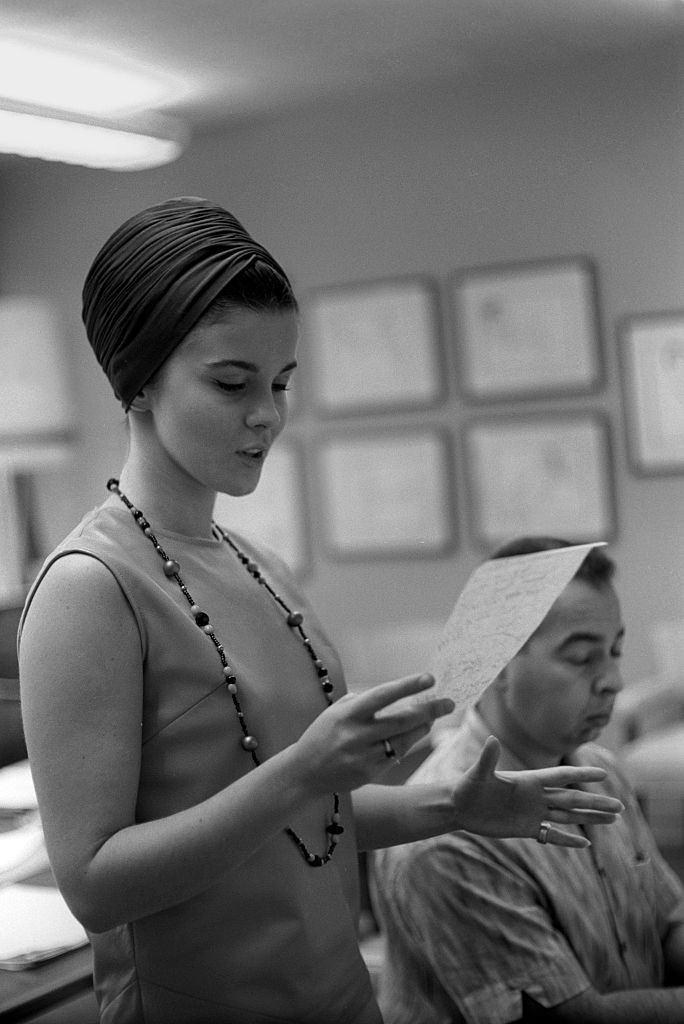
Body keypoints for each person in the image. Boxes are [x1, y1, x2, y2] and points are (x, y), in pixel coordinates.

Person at [18, 200, 622, 1024]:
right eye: (232, 383)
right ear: (140, 379)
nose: (267, 413)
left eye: (281, 383)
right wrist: (305, 768)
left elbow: (305, 822)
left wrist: (448, 808)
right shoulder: (91, 589)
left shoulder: (259, 566)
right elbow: (94, 885)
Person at [372, 536, 684, 1024]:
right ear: (496, 662)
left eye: (616, 652)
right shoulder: (447, 834)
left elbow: (666, 923)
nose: (613, 682)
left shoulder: (600, 769)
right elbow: (573, 1017)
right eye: (582, 658)